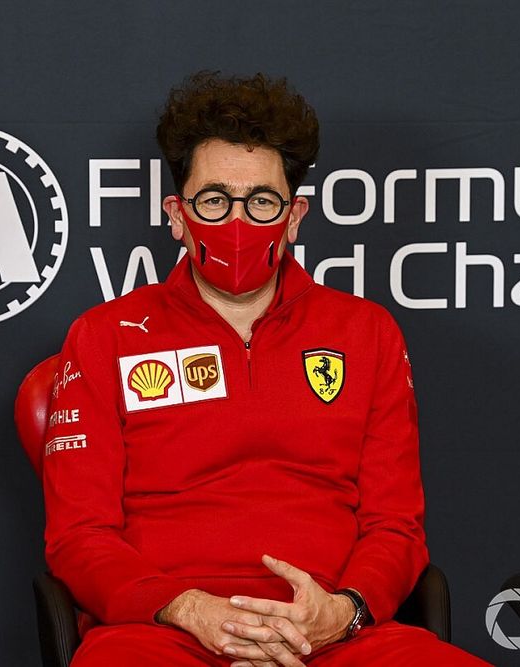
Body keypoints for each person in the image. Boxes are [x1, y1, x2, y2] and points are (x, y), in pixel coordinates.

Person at [42, 71, 490, 666]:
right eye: (214, 199)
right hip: (166, 636)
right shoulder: (103, 337)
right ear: (177, 214)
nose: (236, 221)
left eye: (260, 201)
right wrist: (190, 609)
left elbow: (395, 526)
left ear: (294, 215)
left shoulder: (366, 333)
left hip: (332, 636)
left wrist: (345, 609)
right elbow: (79, 538)